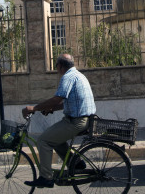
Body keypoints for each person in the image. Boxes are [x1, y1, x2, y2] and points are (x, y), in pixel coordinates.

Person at [22, 53, 96, 188]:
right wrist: (51, 109)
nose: (57, 69)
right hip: (84, 119)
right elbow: (69, 102)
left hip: (76, 122)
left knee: (43, 140)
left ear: (60, 66)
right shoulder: (79, 75)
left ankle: (46, 177)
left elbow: (57, 98)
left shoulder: (67, 77)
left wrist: (34, 108)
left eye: (56, 66)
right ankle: (76, 163)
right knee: (55, 140)